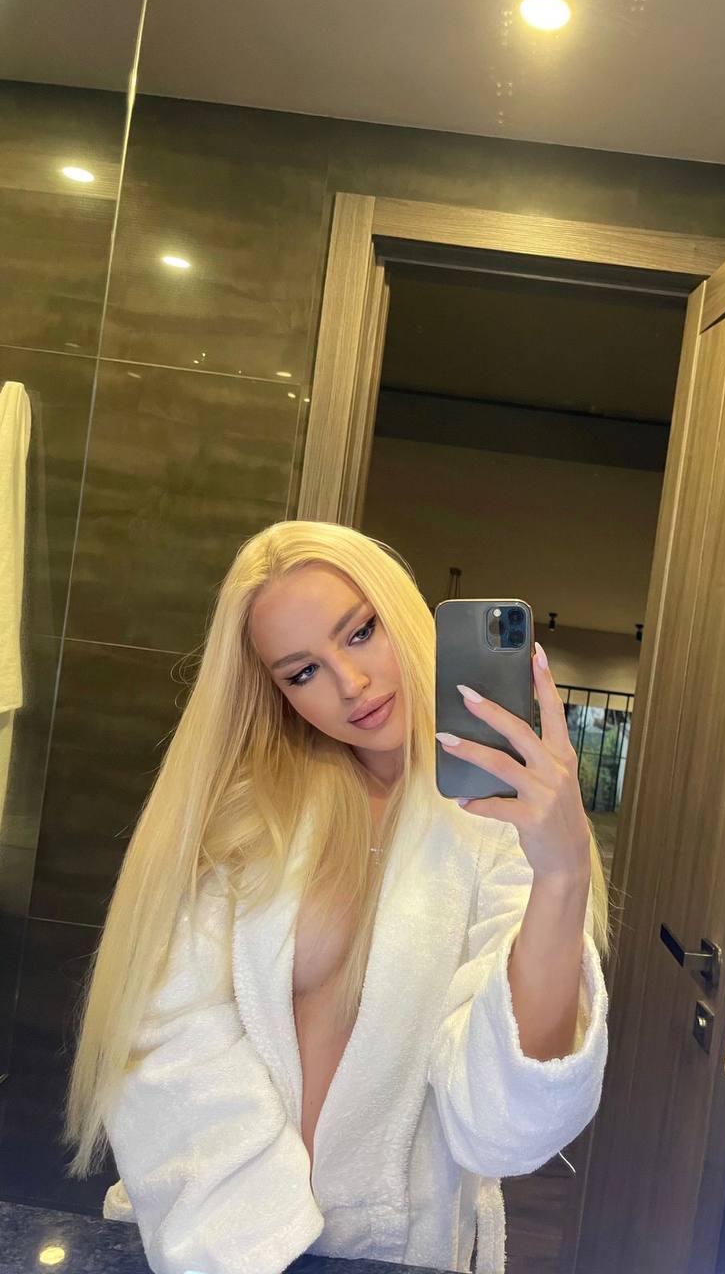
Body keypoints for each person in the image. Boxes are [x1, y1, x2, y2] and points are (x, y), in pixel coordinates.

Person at [62, 519, 611, 1274]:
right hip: (222, 1244)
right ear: (275, 691)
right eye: (302, 673)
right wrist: (253, 1242)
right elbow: (168, 1038)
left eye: (360, 633)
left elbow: (507, 1125)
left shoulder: (499, 833)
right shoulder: (249, 817)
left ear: (402, 615)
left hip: (395, 1253)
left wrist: (563, 874)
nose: (351, 684)